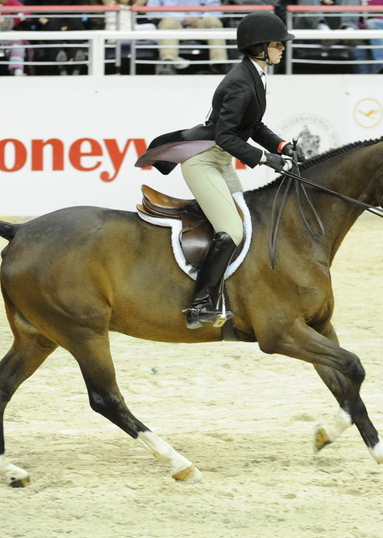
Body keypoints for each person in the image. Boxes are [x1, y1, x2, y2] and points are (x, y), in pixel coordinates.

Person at [135, 12, 306, 329]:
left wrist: (281, 146)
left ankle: (233, 292)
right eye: (277, 44)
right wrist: (267, 160)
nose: (283, 48)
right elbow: (226, 136)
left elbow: (252, 125)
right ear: (259, 48)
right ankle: (199, 306)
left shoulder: (255, 75)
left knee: (246, 220)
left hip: (220, 161)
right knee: (233, 230)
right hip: (204, 162)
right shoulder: (241, 83)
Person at [145, 0, 227, 74]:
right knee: (169, 21)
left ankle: (219, 64)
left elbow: (217, 10)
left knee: (212, 20)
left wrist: (198, 19)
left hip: (200, 23)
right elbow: (152, 12)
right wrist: (183, 18)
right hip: (176, 24)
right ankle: (168, 63)